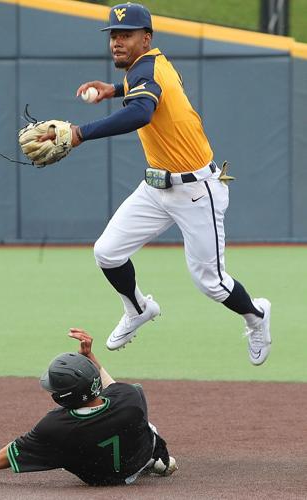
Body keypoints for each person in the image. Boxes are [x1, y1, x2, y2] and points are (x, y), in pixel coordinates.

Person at [38, 2, 271, 365]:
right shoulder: (145, 67)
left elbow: (141, 112)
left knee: (210, 282)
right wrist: (113, 90)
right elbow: (141, 90)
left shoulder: (147, 68)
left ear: (146, 38)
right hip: (156, 188)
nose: (117, 42)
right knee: (107, 252)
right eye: (114, 35)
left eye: (126, 35)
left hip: (196, 191)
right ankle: (138, 309)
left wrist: (81, 132)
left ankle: (256, 316)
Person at [0, 329, 177, 487]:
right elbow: (112, 387)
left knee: (59, 446)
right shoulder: (130, 396)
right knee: (143, 424)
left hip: (99, 480)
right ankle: (154, 461)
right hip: (136, 460)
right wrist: (90, 358)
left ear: (62, 397)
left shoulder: (55, 426)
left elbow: (15, 450)